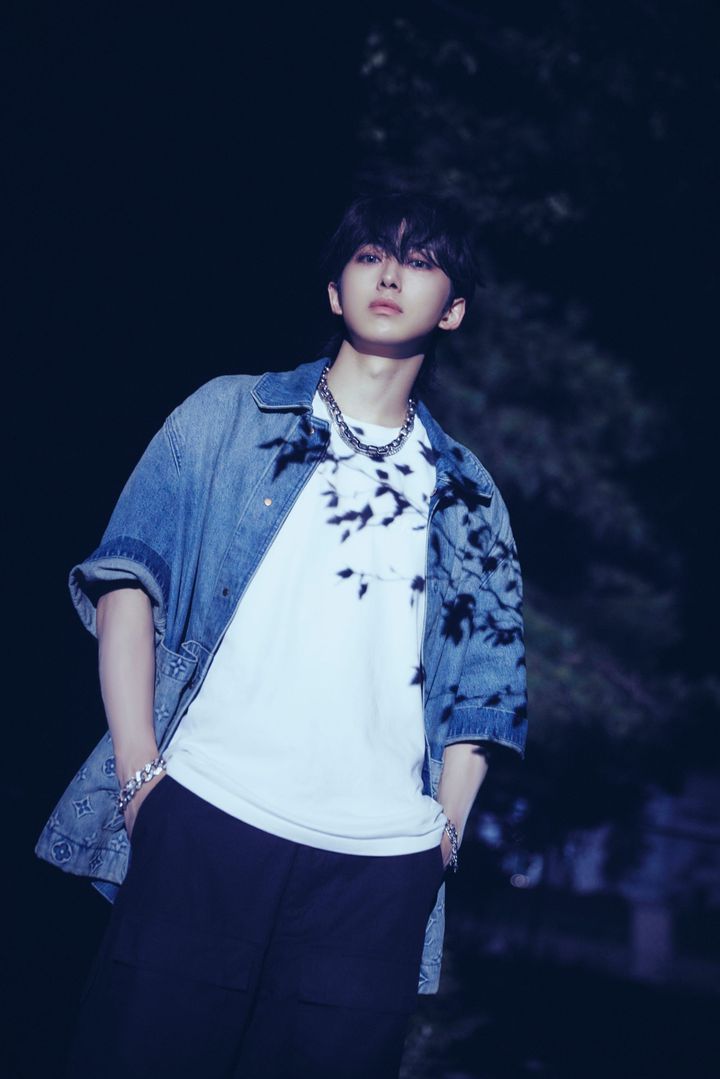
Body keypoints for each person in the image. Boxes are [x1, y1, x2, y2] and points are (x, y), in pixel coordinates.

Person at [36, 192, 528, 1078]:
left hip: (379, 870)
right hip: (202, 819)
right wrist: (142, 778)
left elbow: (486, 690)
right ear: (336, 290)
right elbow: (126, 584)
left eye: (420, 262)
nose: (390, 274)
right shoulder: (228, 415)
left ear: (453, 309)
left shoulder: (470, 495)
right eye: (371, 254)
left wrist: (441, 837)